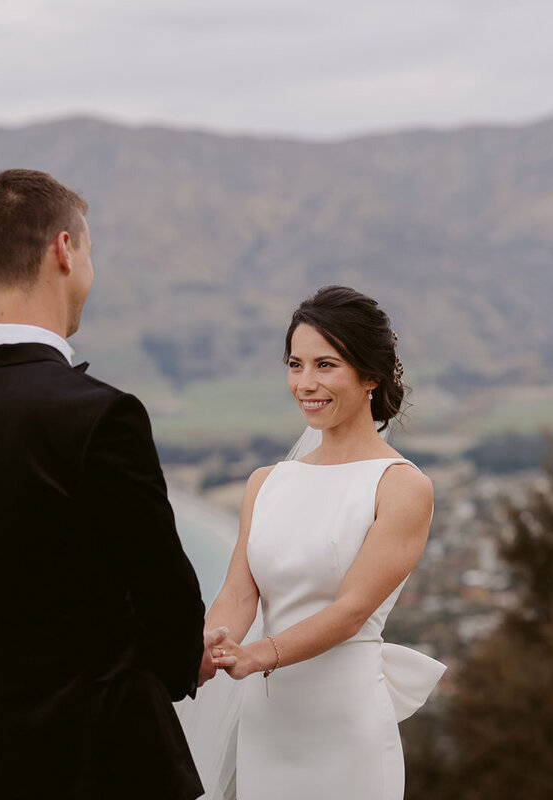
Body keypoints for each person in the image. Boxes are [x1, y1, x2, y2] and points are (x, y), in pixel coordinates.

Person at [0, 168, 221, 800]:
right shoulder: (101, 414)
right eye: (89, 251)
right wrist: (185, 661)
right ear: (64, 250)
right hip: (103, 759)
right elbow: (163, 587)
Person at [201, 285, 446, 799]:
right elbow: (240, 595)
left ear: (370, 376)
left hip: (345, 727)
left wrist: (255, 657)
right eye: (296, 364)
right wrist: (208, 647)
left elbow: (350, 611)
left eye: (326, 365)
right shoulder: (264, 483)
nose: (305, 383)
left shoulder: (401, 486)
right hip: (268, 724)